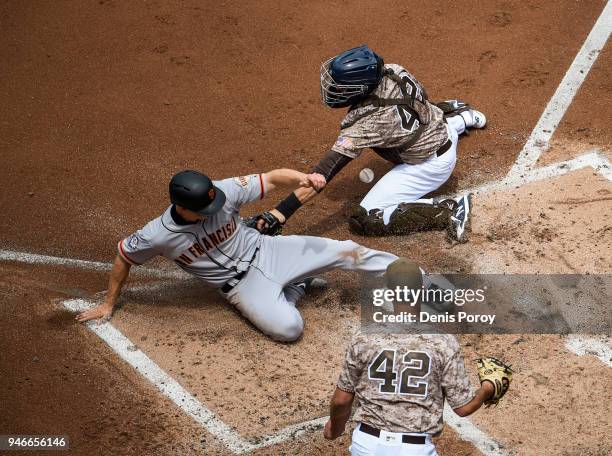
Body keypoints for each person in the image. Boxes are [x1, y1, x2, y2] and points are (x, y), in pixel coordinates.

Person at [76, 169, 432, 342]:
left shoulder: (223, 191)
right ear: (183, 207)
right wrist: (109, 303)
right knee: (289, 329)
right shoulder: (158, 235)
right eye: (206, 207)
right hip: (241, 288)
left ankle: (428, 286)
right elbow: (124, 255)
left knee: (348, 252)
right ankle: (297, 285)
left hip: (269, 250)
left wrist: (304, 176)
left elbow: (272, 177)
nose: (216, 206)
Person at [250, 45, 486, 242]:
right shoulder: (394, 69)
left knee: (364, 219)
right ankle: (462, 117)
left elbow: (323, 173)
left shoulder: (365, 125)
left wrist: (279, 214)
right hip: (438, 125)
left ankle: (450, 209)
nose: (334, 89)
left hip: (430, 165)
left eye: (341, 87)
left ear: (360, 88)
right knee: (409, 107)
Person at [323, 259, 511, 455]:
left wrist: (334, 428)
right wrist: (487, 389)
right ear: (422, 290)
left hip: (367, 445)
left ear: (389, 292)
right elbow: (463, 408)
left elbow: (341, 400)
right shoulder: (444, 342)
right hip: (414, 449)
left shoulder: (364, 337)